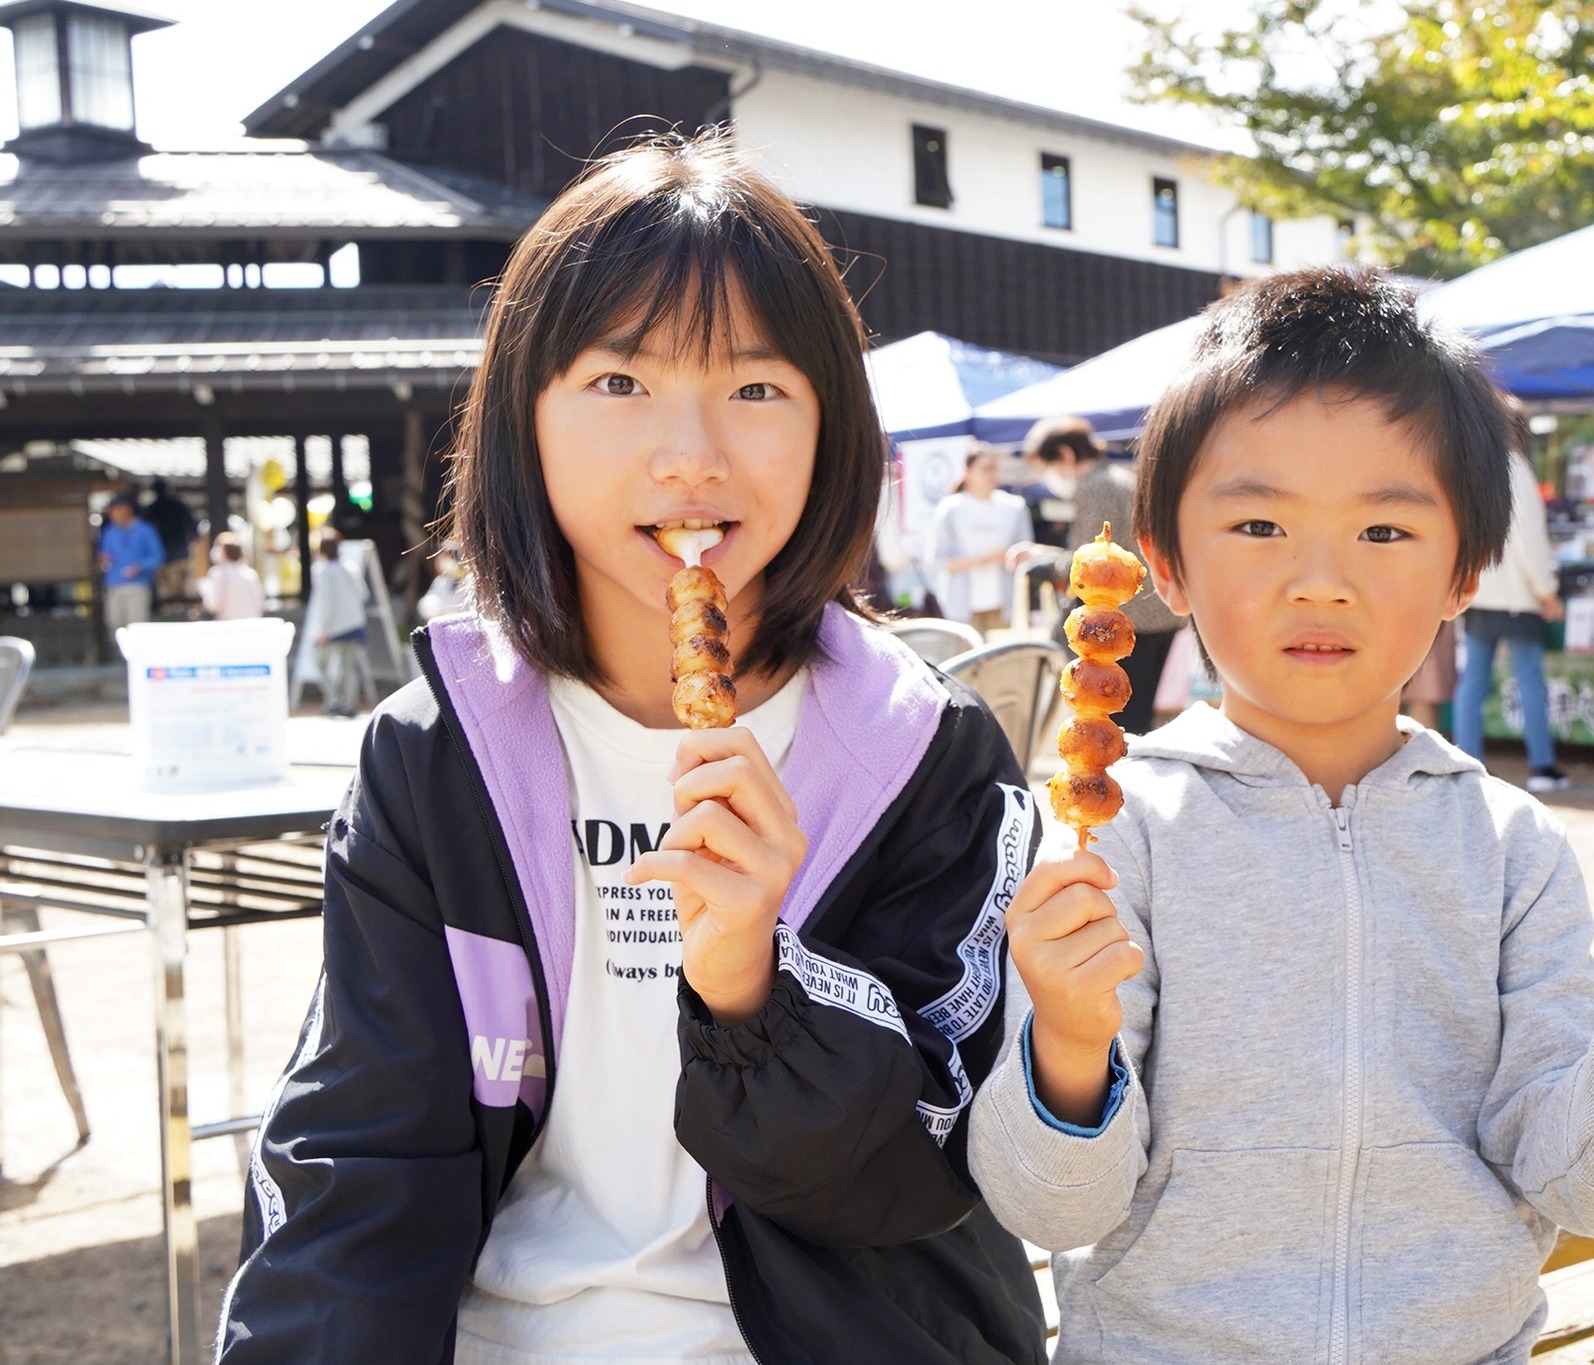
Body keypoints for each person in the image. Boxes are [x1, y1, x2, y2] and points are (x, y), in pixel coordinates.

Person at [216, 134, 1047, 1364]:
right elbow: (362, 1163)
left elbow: (921, 1181)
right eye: (620, 383)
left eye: (758, 389)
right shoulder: (442, 755)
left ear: (832, 430)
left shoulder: (920, 753)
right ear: (524, 421)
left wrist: (755, 988)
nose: (691, 455)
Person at [968, 267, 1594, 1363]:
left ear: (1464, 569)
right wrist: (1067, 1045)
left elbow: (1577, 1190)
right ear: (1164, 566)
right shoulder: (1114, 839)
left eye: (1383, 533)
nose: (1319, 580)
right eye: (1256, 524)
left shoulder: (1510, 850)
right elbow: (1053, 1212)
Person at [1007, 416, 1180, 733]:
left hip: (1128, 616)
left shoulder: (1094, 487)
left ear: (1065, 455)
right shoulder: (1118, 478)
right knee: (1137, 712)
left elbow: (1088, 567)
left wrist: (1043, 558)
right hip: (1160, 608)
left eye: (1047, 465)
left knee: (1114, 717)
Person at [1454, 426, 1571, 791]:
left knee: (1473, 682)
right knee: (1529, 681)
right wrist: (1546, 590)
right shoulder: (1515, 468)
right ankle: (1541, 765)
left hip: (1478, 590)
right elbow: (1528, 540)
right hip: (1516, 595)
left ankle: (1465, 764)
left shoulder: (1470, 465)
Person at [926, 447, 1034, 635]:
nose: (991, 474)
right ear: (967, 472)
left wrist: (1010, 557)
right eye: (985, 469)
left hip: (1005, 604)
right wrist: (987, 559)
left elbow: (1027, 553)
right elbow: (939, 560)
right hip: (962, 608)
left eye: (994, 468)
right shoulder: (950, 509)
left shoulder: (1014, 507)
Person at [302, 527, 370, 718]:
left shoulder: (323, 571)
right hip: (354, 624)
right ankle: (351, 704)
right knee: (348, 668)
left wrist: (322, 629)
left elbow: (326, 603)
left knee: (321, 663)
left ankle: (334, 701)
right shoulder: (350, 567)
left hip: (333, 628)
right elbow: (363, 594)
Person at [96, 494, 164, 640]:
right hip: (114, 583)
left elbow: (157, 556)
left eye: (114, 510)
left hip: (138, 584)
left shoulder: (146, 530)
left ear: (126, 510)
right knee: (114, 621)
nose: (111, 514)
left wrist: (140, 566)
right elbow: (104, 553)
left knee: (137, 623)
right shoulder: (109, 532)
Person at [143, 477, 199, 604]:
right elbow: (193, 528)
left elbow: (192, 527)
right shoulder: (175, 506)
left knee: (173, 592)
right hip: (169, 555)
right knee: (175, 592)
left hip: (174, 554)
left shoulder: (154, 509)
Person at [198, 531, 266, 620]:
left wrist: (203, 588)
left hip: (228, 627)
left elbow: (213, 605)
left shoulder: (218, 573)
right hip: (250, 625)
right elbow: (260, 604)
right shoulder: (250, 573)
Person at [416, 541, 468, 621]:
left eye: (443, 560)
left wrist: (457, 572)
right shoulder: (440, 582)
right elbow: (427, 602)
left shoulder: (469, 581)